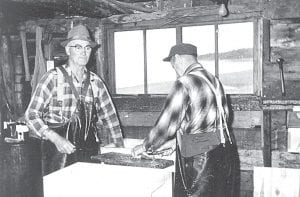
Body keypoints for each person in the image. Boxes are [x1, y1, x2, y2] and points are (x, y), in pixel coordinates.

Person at [132, 43, 239, 197]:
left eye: (172, 64)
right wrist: (176, 143)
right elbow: (214, 122)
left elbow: (167, 124)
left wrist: (146, 145)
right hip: (224, 153)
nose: (174, 69)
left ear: (177, 59)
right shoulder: (214, 80)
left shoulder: (185, 82)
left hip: (200, 160)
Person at [25, 24, 124, 175]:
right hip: (58, 159)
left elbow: (111, 119)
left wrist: (119, 150)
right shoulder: (53, 78)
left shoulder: (96, 82)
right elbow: (31, 115)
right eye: (78, 47)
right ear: (67, 50)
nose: (84, 52)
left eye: (87, 48)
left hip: (89, 156)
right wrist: (56, 138)